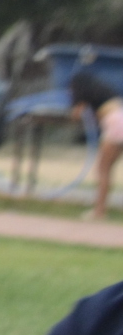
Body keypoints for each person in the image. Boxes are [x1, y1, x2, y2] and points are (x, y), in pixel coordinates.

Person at [66, 66, 123, 222]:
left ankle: (99, 211)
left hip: (115, 124)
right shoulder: (105, 93)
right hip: (119, 120)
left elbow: (77, 114)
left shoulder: (84, 95)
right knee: (108, 169)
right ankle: (100, 209)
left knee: (103, 169)